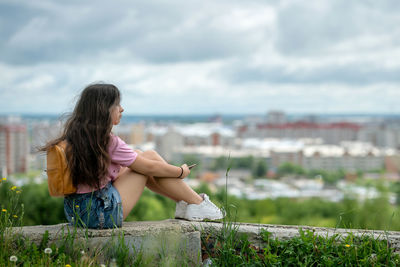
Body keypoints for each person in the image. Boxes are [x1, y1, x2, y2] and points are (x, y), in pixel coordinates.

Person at [42, 83, 223, 229]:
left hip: (76, 212)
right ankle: (197, 203)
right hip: (101, 215)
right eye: (117, 105)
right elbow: (148, 168)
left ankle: (187, 204)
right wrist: (180, 172)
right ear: (104, 109)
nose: (122, 109)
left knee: (142, 155)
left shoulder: (75, 136)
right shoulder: (106, 140)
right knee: (146, 163)